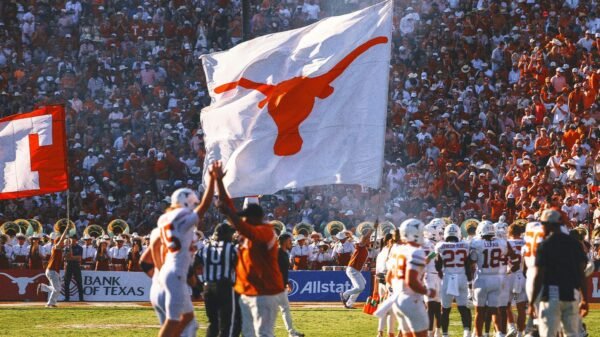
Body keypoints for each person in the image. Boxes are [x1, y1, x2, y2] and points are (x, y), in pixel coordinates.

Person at [215, 164, 285, 337]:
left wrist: (230, 214)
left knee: (262, 332)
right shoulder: (248, 231)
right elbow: (228, 207)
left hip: (263, 290)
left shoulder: (265, 232)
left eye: (246, 216)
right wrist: (219, 181)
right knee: (244, 329)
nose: (243, 218)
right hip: (248, 289)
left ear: (255, 218)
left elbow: (234, 218)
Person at [157, 162, 215, 337]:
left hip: (173, 269)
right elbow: (203, 207)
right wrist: (212, 180)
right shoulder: (181, 216)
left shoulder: (165, 218)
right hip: (176, 271)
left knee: (188, 317)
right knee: (173, 320)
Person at [528, 209, 589, 337]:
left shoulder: (545, 245)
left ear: (549, 224)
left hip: (551, 295)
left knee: (549, 333)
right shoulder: (574, 243)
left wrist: (532, 301)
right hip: (570, 294)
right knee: (572, 334)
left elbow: (539, 276)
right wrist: (585, 299)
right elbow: (581, 273)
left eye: (543, 224)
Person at [386, 218, 434, 337]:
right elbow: (411, 281)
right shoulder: (415, 252)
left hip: (399, 299)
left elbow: (388, 278)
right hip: (411, 299)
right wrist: (428, 291)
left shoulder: (397, 250)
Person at [469, 221, 516, 337]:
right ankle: (500, 334)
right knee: (495, 309)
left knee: (480, 312)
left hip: (482, 278)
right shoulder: (501, 242)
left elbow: (472, 261)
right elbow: (513, 256)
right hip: (497, 279)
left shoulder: (476, 243)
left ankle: (479, 335)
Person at [199, 222, 239, 337]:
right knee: (226, 323)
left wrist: (198, 285)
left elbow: (192, 267)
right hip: (224, 287)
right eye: (230, 234)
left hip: (208, 287)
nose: (231, 236)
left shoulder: (205, 248)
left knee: (213, 322)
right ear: (224, 234)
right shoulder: (230, 248)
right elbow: (240, 268)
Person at [435, 224, 472, 337]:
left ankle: (445, 334)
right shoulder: (465, 245)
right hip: (461, 277)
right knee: (463, 307)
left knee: (445, 309)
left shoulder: (441, 245)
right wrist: (470, 283)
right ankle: (467, 332)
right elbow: (468, 266)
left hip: (448, 278)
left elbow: (438, 266)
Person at [340, 222, 375, 309]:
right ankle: (344, 295)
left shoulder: (365, 248)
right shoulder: (360, 245)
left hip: (356, 270)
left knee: (362, 284)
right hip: (352, 269)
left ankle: (349, 303)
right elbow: (365, 237)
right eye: (368, 239)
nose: (369, 240)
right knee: (360, 287)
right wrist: (373, 228)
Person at [277, 233, 305, 337]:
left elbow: (283, 270)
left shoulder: (284, 253)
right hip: (276, 286)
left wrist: (287, 281)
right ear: (284, 241)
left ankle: (291, 332)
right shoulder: (278, 252)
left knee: (285, 309)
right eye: (289, 241)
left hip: (281, 285)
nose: (291, 243)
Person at [37, 229, 69, 307]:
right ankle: (50, 303)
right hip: (52, 270)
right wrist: (66, 230)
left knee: (57, 288)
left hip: (53, 271)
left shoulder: (58, 249)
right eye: (62, 242)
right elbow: (61, 239)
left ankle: (43, 287)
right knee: (57, 289)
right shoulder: (56, 247)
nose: (63, 243)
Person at [374, 232, 396, 337]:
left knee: (383, 307)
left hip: (380, 279)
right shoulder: (392, 252)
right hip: (389, 281)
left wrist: (375, 287)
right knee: (391, 310)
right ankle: (390, 333)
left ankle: (380, 332)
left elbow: (377, 270)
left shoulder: (381, 252)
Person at [63, 233, 84, 302]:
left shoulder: (80, 248)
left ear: (76, 240)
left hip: (76, 265)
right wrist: (73, 257)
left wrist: (72, 257)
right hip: (69, 265)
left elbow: (79, 258)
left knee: (79, 282)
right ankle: (67, 298)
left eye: (74, 239)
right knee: (66, 282)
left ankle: (81, 298)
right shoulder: (67, 248)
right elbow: (66, 257)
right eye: (71, 239)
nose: (72, 240)